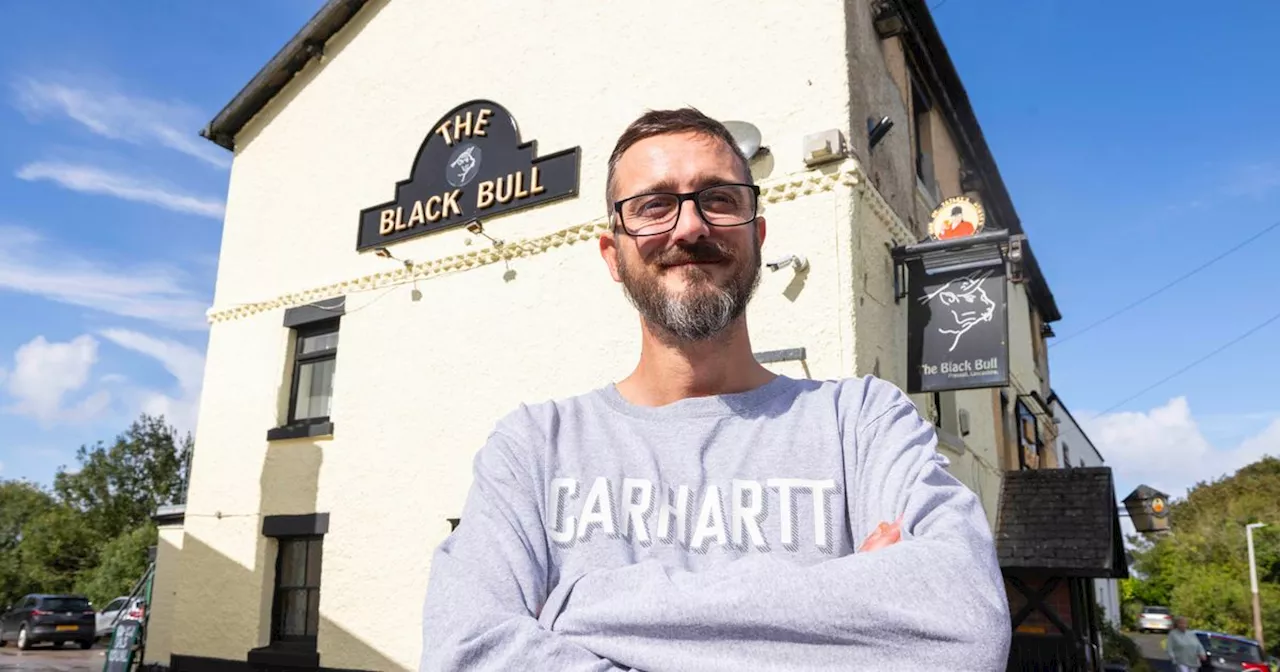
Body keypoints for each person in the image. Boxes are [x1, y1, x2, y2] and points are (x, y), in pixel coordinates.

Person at [419, 108, 1012, 671]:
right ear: (612, 254)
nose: (691, 226)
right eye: (653, 207)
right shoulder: (532, 447)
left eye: (719, 199)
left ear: (756, 234)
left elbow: (961, 625)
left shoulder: (861, 420)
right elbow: (465, 650)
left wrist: (578, 608)